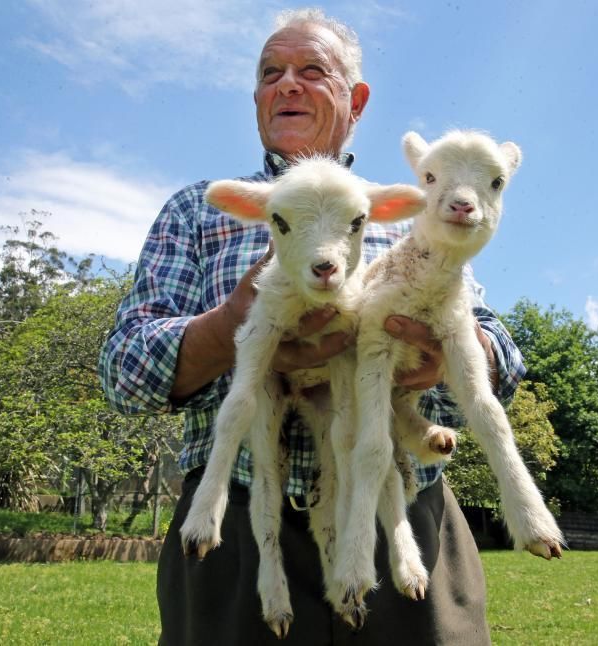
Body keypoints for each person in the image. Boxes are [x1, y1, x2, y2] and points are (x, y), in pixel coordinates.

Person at [99, 8, 525, 646]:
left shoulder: (407, 212)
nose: (286, 84)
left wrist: (454, 353)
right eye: (271, 73)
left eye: (310, 70)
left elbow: (502, 352)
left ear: (356, 100)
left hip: (402, 524)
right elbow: (123, 370)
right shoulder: (199, 209)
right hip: (237, 538)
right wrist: (229, 328)